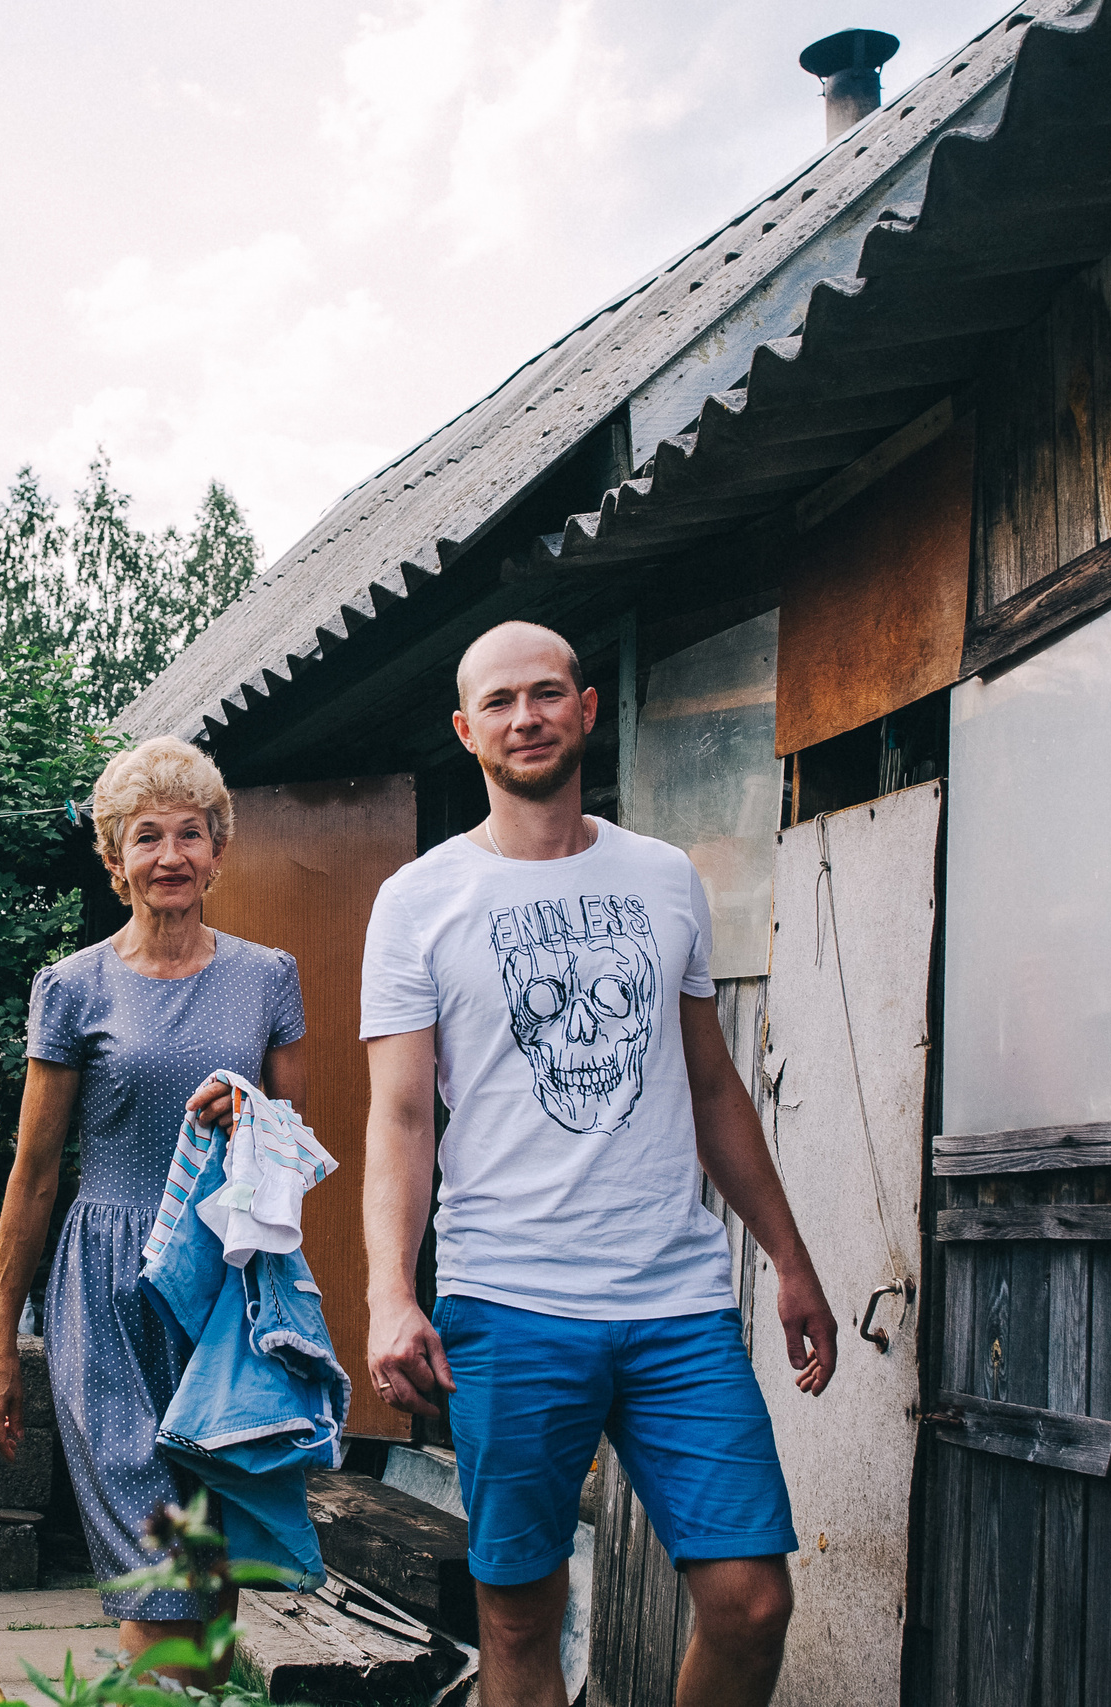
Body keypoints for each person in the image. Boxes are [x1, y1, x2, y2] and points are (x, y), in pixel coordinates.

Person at [360, 621, 837, 1707]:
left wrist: (790, 1261)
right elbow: (398, 1119)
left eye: (543, 694)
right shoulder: (420, 899)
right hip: (508, 1301)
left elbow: (711, 1087)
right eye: (498, 702)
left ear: (584, 709)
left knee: (750, 1603)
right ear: (465, 731)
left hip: (676, 1301)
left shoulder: (664, 878)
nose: (523, 718)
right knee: (522, 1620)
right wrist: (392, 1293)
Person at [0, 736, 307, 1679]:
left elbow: (298, 1148)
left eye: (190, 834)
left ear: (218, 850)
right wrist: (2, 1344)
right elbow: (33, 1177)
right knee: (153, 1566)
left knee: (209, 1565)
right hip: (108, 1289)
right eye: (145, 836)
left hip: (223, 1290)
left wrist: (256, 1119)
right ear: (113, 858)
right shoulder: (74, 987)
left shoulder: (266, 976)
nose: (170, 855)